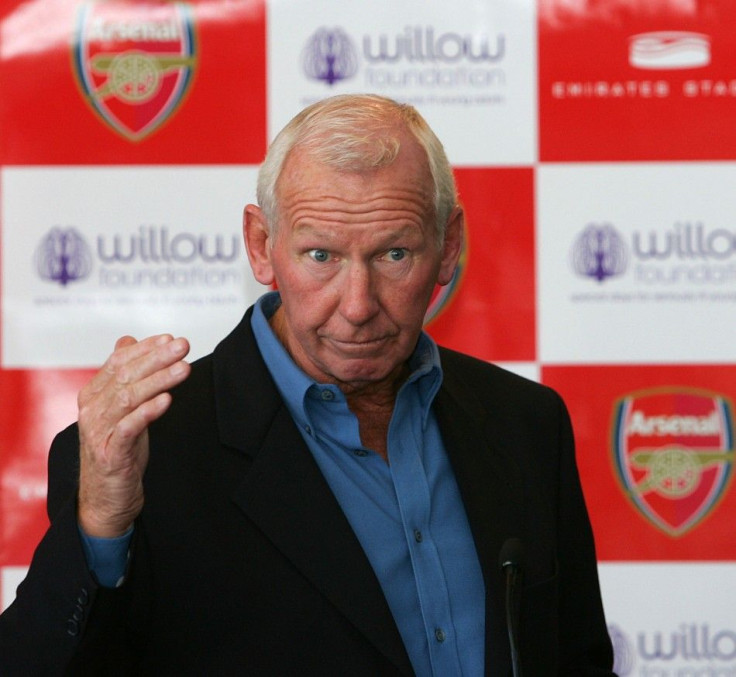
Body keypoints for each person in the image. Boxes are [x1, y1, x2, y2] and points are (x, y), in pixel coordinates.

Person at [0, 94, 615, 675]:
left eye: (394, 254)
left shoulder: (526, 423)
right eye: (321, 256)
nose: (357, 305)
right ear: (262, 247)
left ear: (448, 246)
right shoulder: (149, 451)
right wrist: (103, 525)